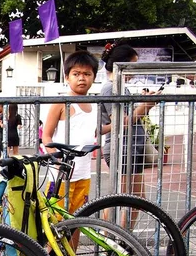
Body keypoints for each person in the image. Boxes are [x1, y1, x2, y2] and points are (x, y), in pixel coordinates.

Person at [42, 50, 106, 215]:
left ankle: (74, 243)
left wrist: (132, 116)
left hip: (84, 172)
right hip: (61, 175)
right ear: (67, 77)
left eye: (87, 73)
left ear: (93, 77)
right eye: (76, 73)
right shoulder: (61, 103)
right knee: (56, 220)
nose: (82, 78)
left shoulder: (94, 105)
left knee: (78, 219)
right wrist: (56, 159)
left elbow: (97, 131)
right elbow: (46, 135)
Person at [100, 41, 159, 217]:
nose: (134, 70)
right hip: (122, 149)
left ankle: (121, 240)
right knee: (123, 200)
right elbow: (121, 122)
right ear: (122, 64)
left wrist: (144, 106)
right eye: (132, 65)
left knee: (135, 200)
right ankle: (110, 238)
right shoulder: (111, 88)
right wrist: (144, 107)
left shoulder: (119, 87)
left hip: (130, 148)